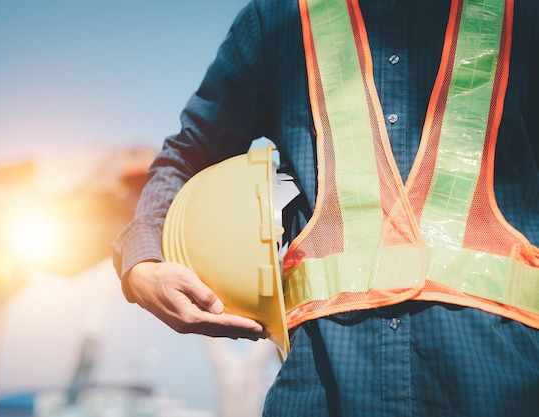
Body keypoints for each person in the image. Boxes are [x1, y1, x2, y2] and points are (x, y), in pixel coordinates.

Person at [112, 0, 539, 415]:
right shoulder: (277, 18)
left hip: (503, 377)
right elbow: (188, 155)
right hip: (323, 383)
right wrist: (143, 265)